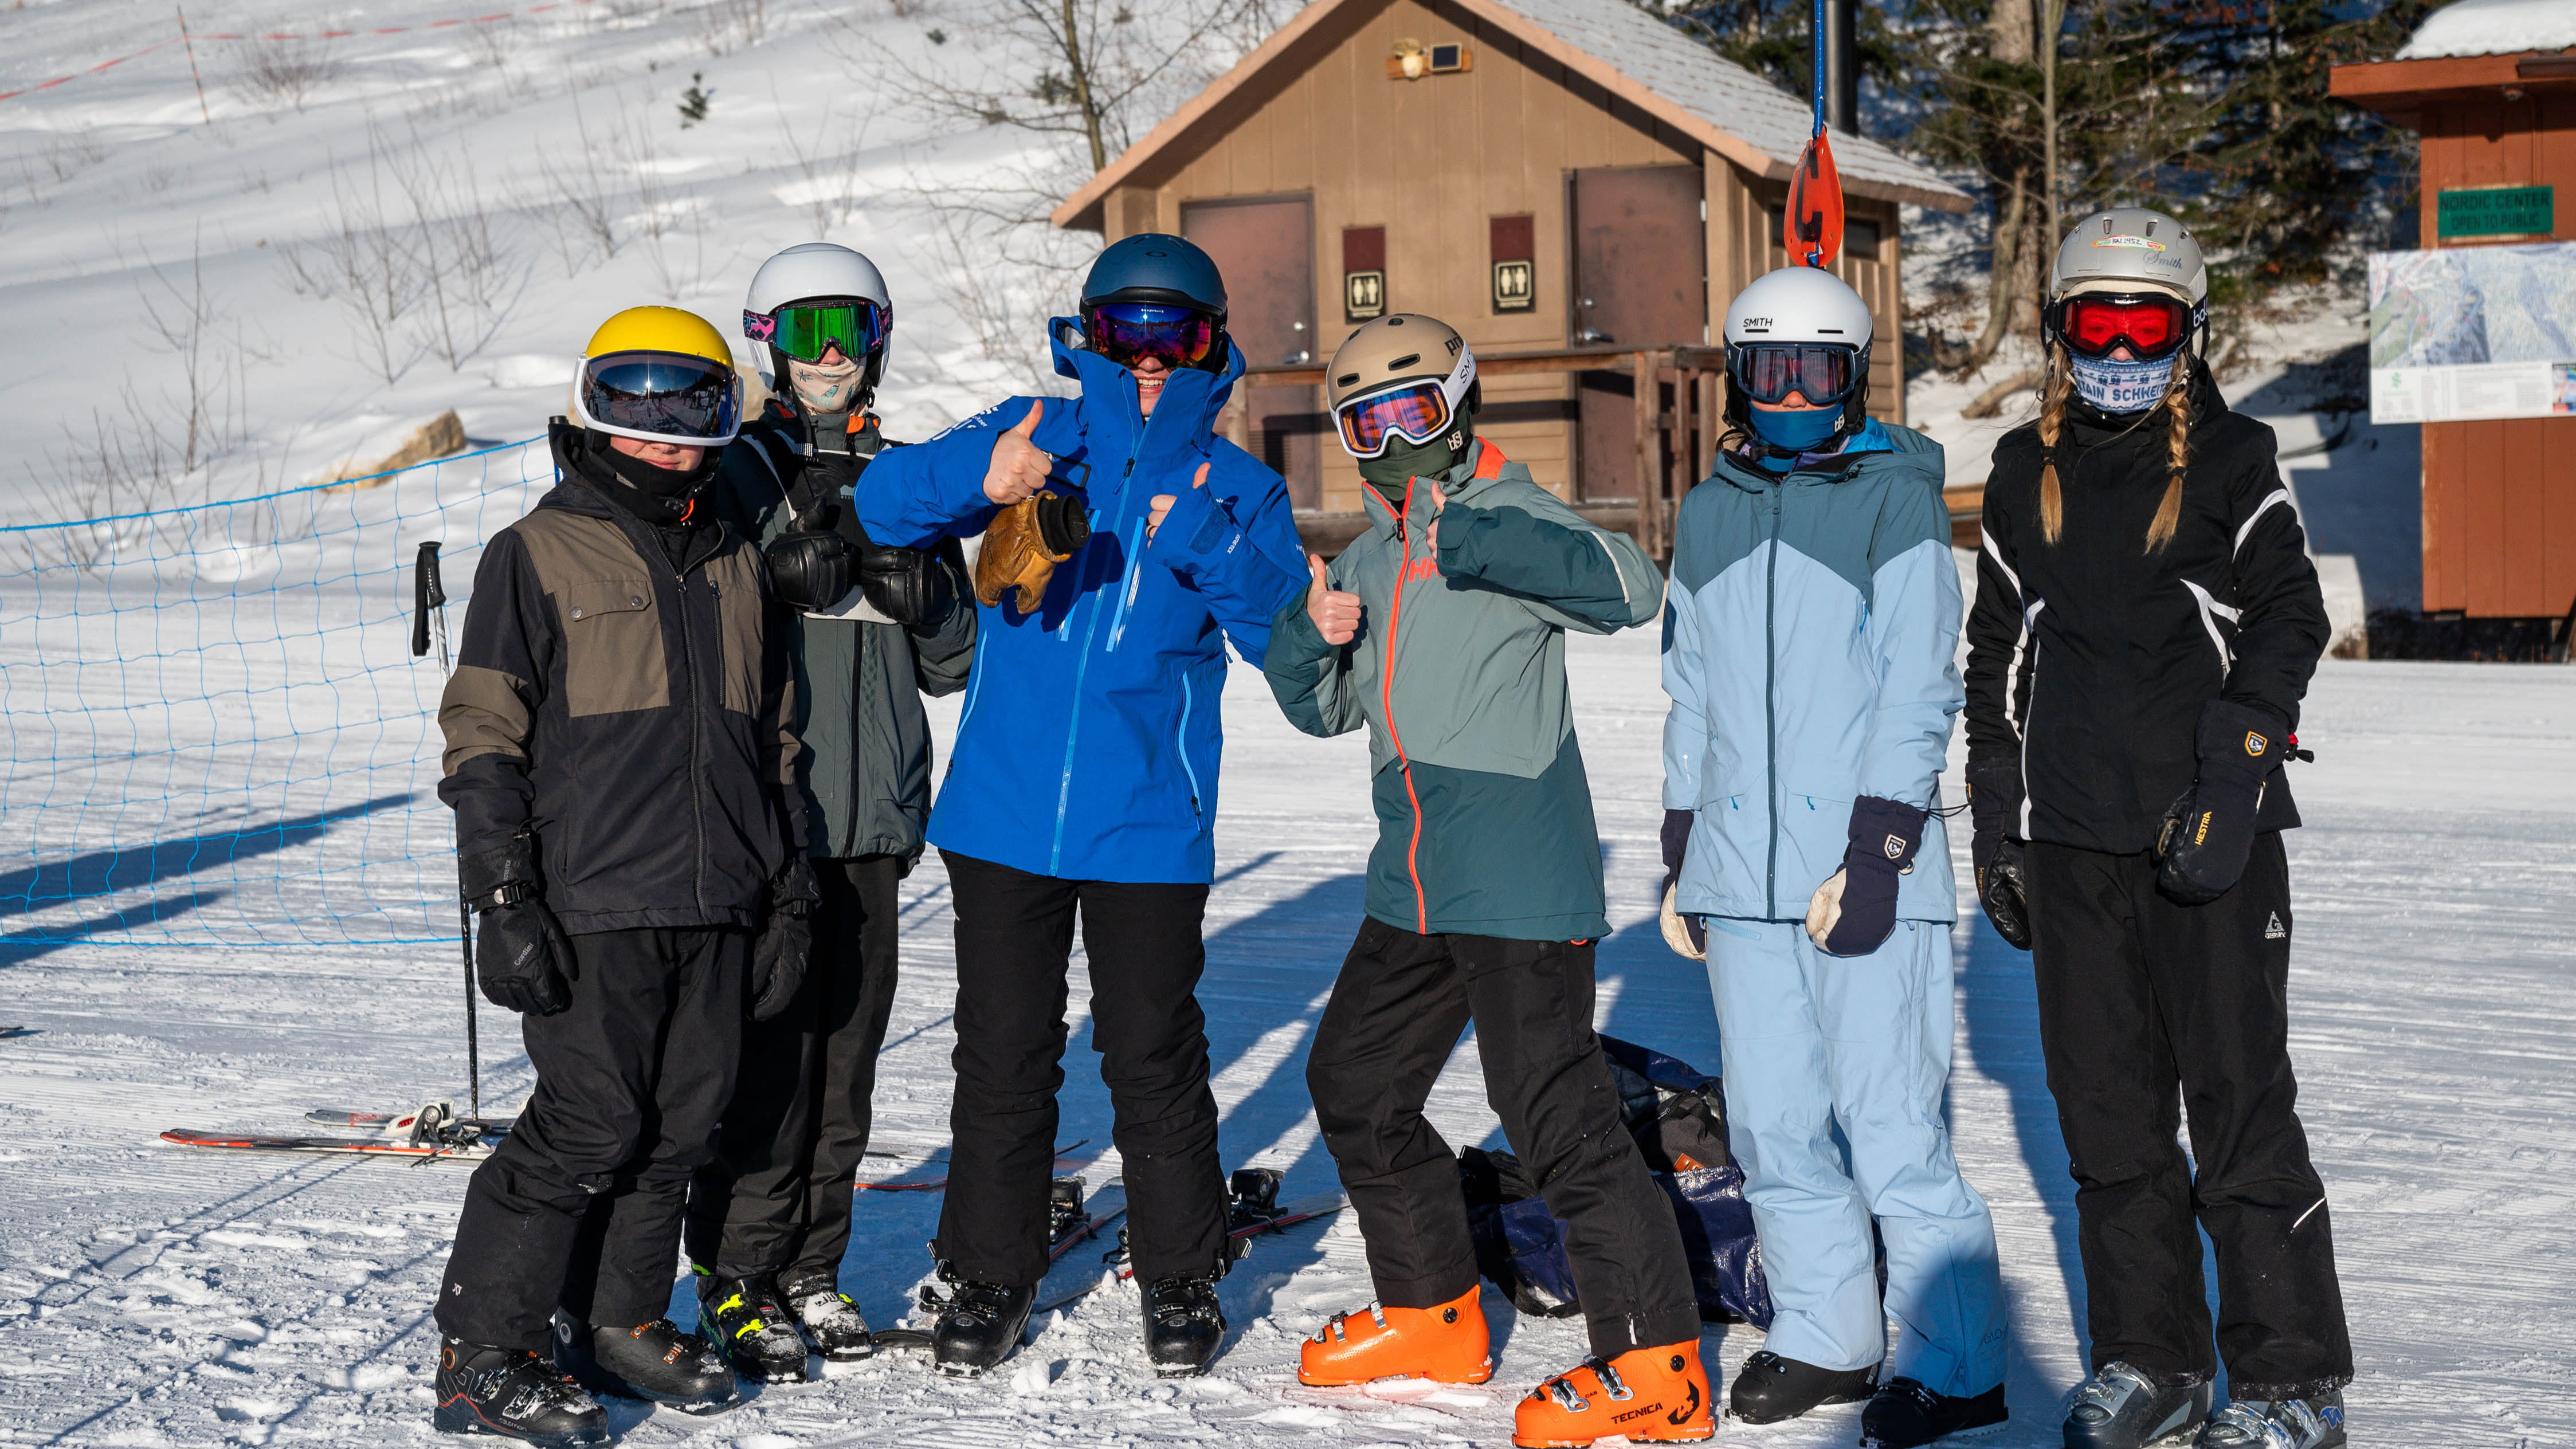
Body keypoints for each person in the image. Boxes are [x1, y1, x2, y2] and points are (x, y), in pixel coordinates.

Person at [852, 232, 1306, 1380]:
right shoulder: (1031, 432)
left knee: (1150, 1050)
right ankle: (990, 1264)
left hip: (1149, 824)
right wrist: (979, 480)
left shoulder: (1240, 485)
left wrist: (1204, 539)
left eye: (1176, 335)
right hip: (1002, 817)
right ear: (1090, 340)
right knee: (1003, 1052)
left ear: (1211, 347)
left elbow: (1284, 637)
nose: (1149, 358)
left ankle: (1180, 1269)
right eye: (1125, 333)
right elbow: (879, 503)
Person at [1264, 313, 1709, 1449]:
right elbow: (1315, 709)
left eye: (1413, 409)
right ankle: (1433, 1314)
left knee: (1553, 1115)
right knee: (1355, 1084)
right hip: (1411, 881)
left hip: (1519, 879)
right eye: (1368, 419)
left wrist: (1481, 542)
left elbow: (1629, 585)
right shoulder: (1365, 556)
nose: (1392, 436)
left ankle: (1654, 1364)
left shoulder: (1510, 511)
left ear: (1459, 403)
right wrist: (1312, 633)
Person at [1966, 209, 2347, 1449]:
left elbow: (2293, 616)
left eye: (2147, 324)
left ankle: (2291, 1382)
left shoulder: (2235, 458)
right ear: (2059, 330)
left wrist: (2235, 767)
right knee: (2108, 1118)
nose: (2121, 347)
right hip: (2073, 840)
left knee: (2238, 1106)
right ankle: (2152, 1359)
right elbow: (1996, 659)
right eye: (2097, 322)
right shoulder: (2025, 469)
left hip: (2209, 838)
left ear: (2189, 334)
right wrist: (1996, 823)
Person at [430, 307, 811, 1444]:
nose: (666, 436)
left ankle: (621, 1318)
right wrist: (503, 894)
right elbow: (483, 733)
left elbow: (777, 738)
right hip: (590, 893)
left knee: (680, 1122)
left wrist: (787, 885)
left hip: (720, 892)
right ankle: (481, 1350)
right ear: (596, 409)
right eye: (637, 407)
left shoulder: (740, 555)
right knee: (590, 1123)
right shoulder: (536, 553)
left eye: (692, 408)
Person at [1659, 265, 2009, 1448]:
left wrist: (1878, 851)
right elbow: (1690, 691)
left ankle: (1958, 1361)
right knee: (1771, 1123)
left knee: (1892, 1125)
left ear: (1853, 374)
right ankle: (1825, 1330)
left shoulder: (1893, 500)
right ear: (1738, 378)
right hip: (1741, 877)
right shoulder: (1707, 509)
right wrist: (1681, 844)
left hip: (1858, 874)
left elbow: (1918, 687)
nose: (1790, 392)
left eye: (1814, 370)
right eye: (1767, 370)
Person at [681, 244, 978, 1383]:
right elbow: (698, 637)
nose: (830, 357)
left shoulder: (907, 480)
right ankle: (735, 1270)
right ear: (766, 342)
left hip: (872, 820)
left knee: (846, 1062)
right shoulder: (735, 471)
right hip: (769, 815)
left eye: (850, 331)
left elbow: (954, 667)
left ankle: (812, 1262)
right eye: (805, 333)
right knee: (770, 1058)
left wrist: (931, 592)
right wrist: (768, 573)